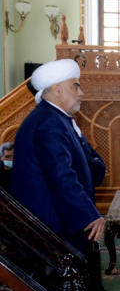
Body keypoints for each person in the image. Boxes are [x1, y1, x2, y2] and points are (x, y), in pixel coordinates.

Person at [9, 59, 105, 254]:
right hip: (53, 225)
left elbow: (90, 166)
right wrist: (89, 214)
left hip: (61, 217)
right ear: (57, 90)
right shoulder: (49, 123)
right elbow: (62, 177)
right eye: (75, 87)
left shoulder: (56, 118)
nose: (81, 93)